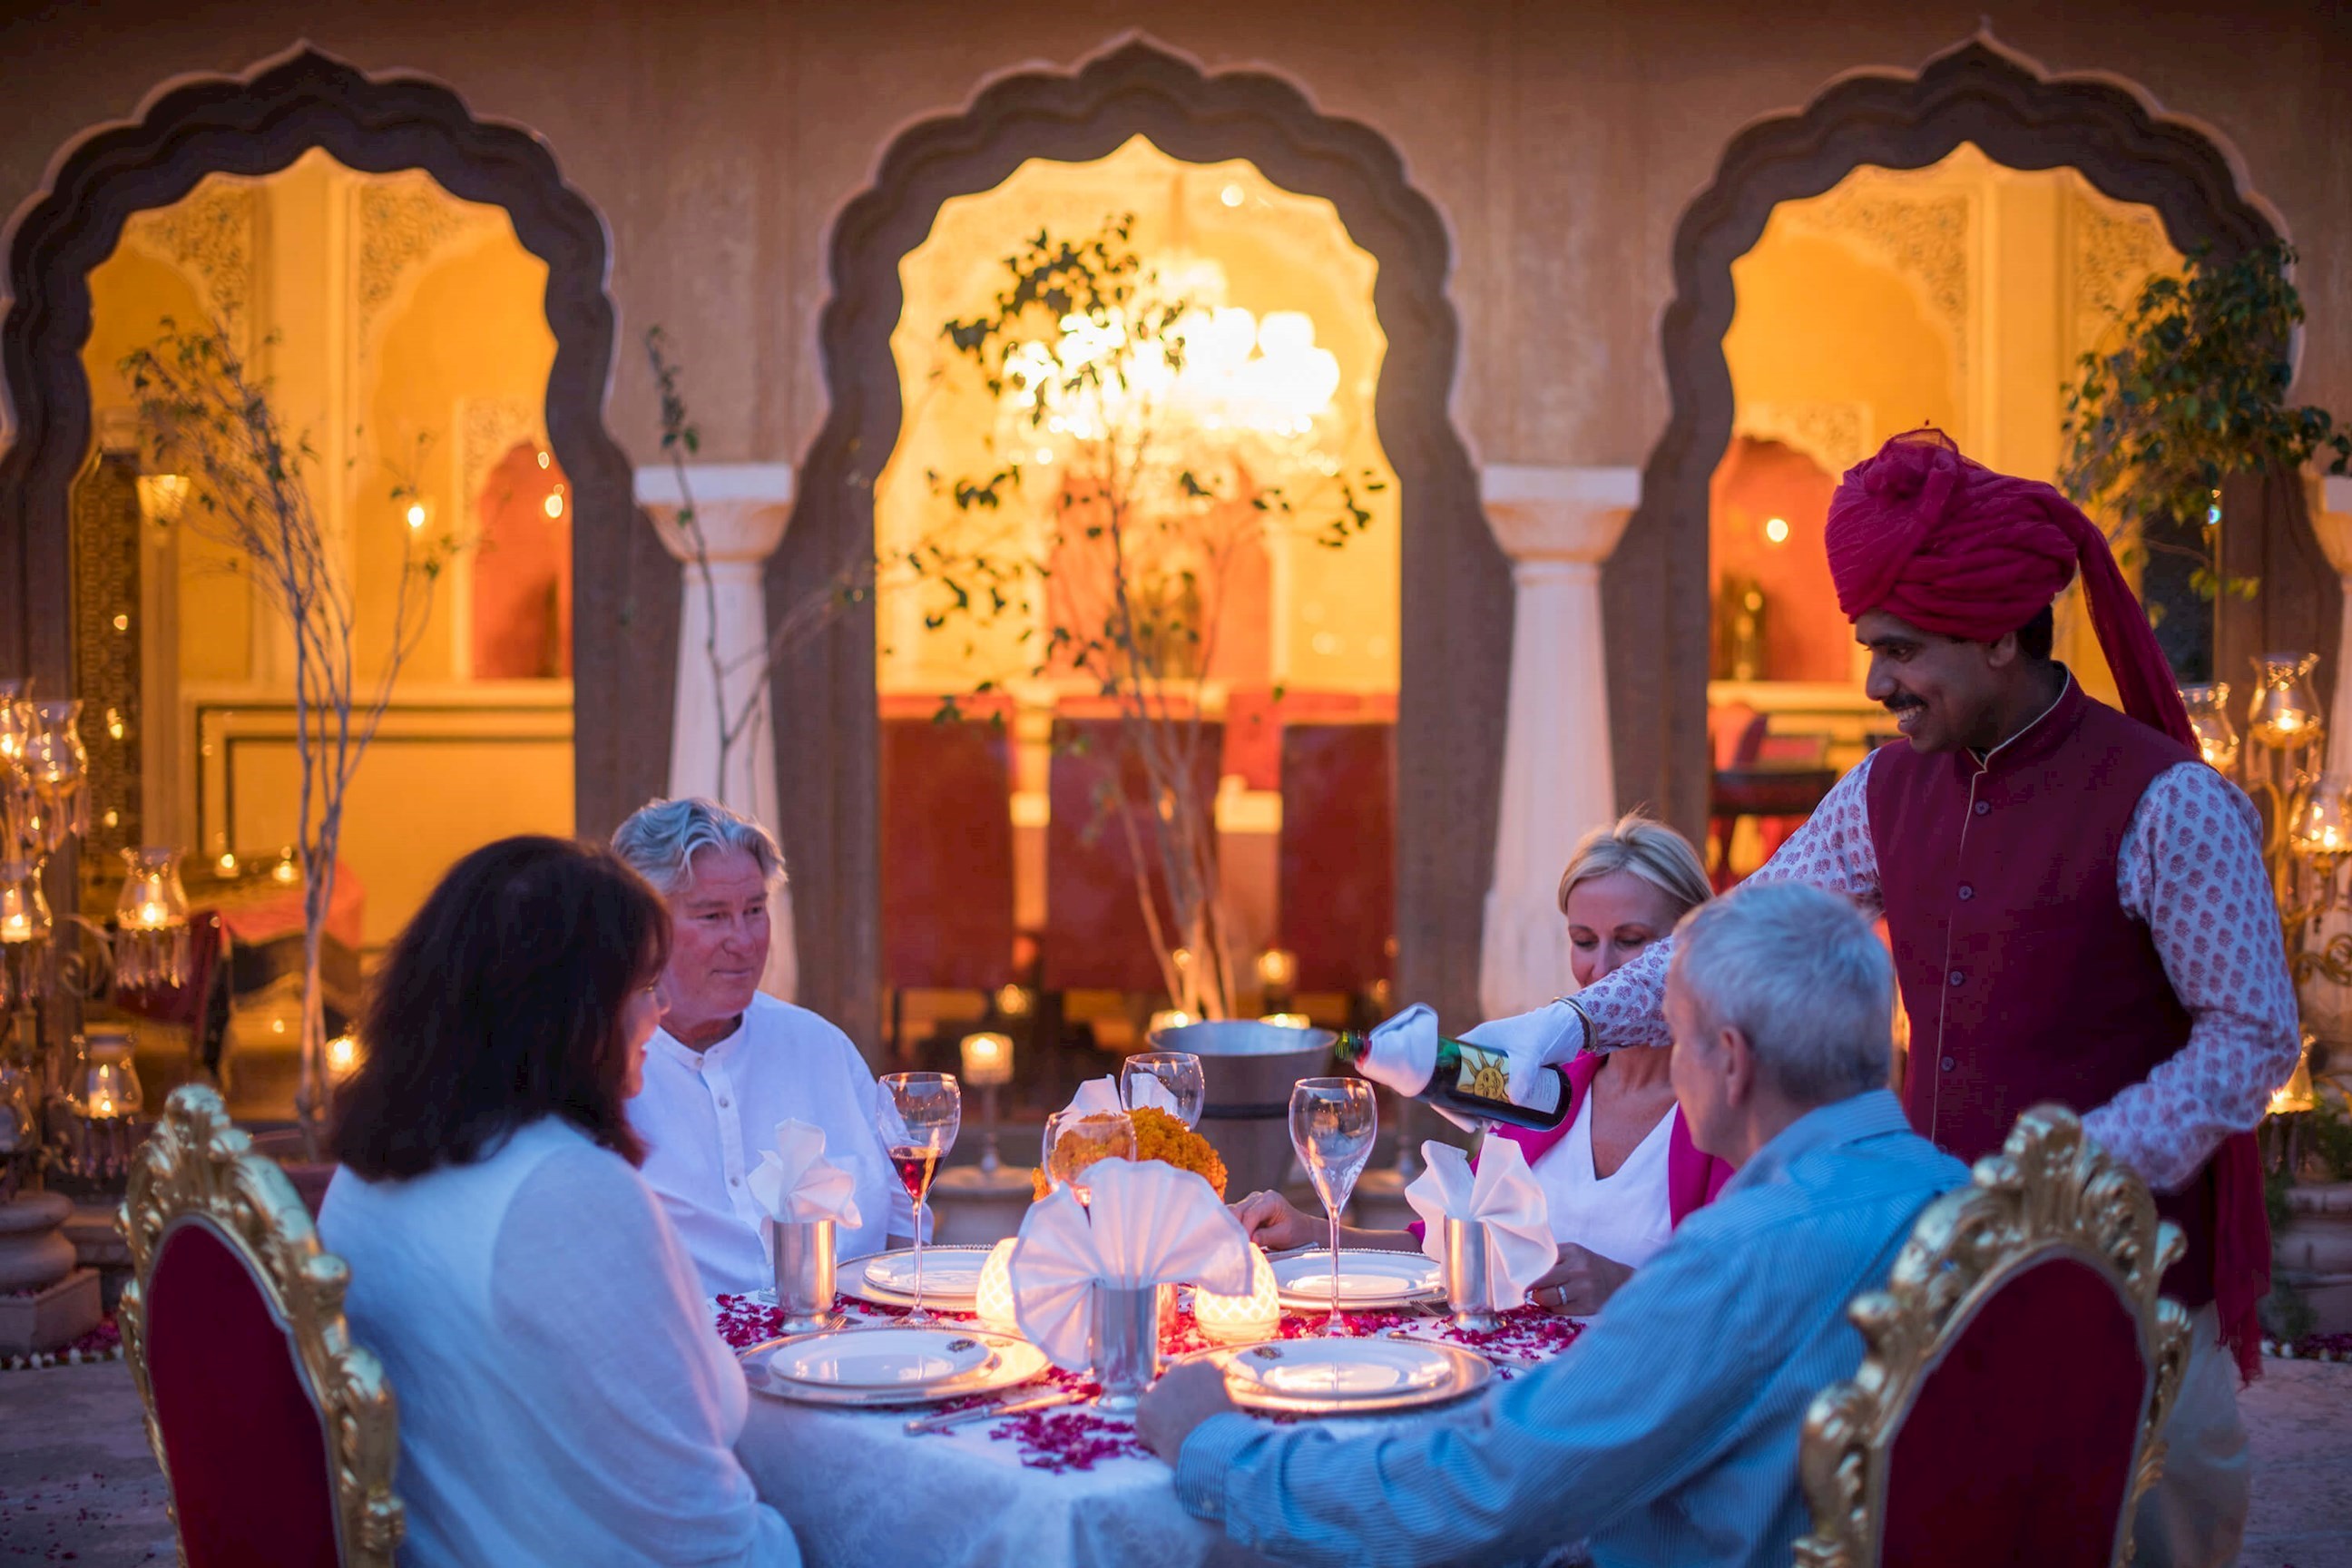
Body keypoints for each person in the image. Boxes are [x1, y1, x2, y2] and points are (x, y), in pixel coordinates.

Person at [1508, 429, 2295, 1568]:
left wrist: (2068, 1174)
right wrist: (1570, 1024)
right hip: (1931, 1276)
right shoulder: (1883, 789)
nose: (1877, 684)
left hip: (2132, 1286)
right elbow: (1731, 938)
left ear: (2000, 634)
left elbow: (2251, 1039)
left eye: (1900, 651)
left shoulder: (2170, 801)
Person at [1139, 880, 1969, 1568]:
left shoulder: (1742, 1256)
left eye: (1677, 1038)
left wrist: (1220, 1449)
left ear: (1731, 1061)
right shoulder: (1965, 1203)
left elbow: (1484, 1495)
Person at [320, 837, 796, 1567]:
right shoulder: (562, 1192)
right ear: (568, 1013)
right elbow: (695, 1527)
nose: (662, 1007)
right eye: (644, 985)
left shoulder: (368, 1170)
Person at [1231, 814, 1732, 1314]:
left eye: (1631, 940)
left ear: (1689, 946)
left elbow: (1754, 1298)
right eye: (1583, 941)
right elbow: (1443, 1249)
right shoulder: (1543, 1083)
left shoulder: (1730, 1104)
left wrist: (1625, 1285)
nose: (1601, 970)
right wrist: (1311, 1232)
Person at [612, 797, 915, 1297]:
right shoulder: (603, 1073)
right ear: (643, 926)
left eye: (754, 910)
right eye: (713, 916)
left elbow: (907, 1229)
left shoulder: (822, 1048)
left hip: (849, 1343)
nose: (744, 940)